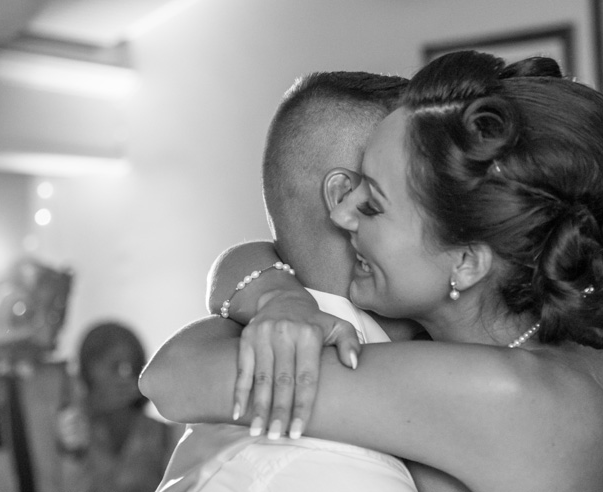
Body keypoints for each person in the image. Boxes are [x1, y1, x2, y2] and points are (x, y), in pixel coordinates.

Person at [145, 51, 603, 492]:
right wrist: (274, 289)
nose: (343, 216)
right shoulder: (533, 348)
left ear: (465, 263)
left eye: (374, 204)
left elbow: (178, 378)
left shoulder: (498, 392)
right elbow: (268, 254)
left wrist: (272, 295)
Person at [140, 71, 469, 492]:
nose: (463, 215)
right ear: (348, 201)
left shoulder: (255, 317)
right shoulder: (330, 470)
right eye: (436, 186)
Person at [58, 321, 179, 492]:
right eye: (115, 366)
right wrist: (73, 452)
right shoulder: (73, 432)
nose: (125, 376)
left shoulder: (160, 435)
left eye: (133, 366)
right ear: (89, 371)